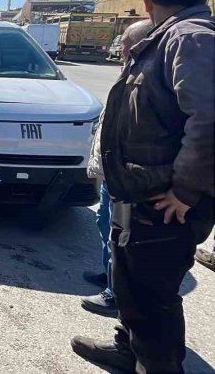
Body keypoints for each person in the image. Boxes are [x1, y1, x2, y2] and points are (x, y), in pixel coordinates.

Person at [72, 0, 214, 373]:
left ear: (148, 0)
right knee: (133, 287)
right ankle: (129, 350)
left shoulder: (190, 39)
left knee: (153, 297)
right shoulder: (173, 37)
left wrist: (185, 191)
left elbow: (208, 120)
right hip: (141, 193)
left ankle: (156, 365)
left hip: (164, 200)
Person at [80, 20, 153, 318]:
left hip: (127, 176)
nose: (119, 47)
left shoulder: (147, 76)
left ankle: (115, 293)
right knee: (106, 226)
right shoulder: (130, 72)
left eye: (124, 42)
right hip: (114, 173)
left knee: (121, 234)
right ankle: (109, 274)